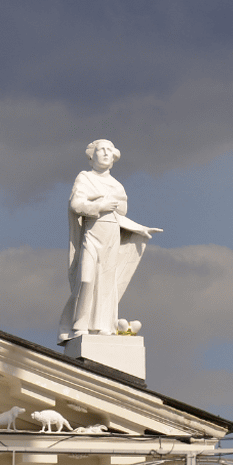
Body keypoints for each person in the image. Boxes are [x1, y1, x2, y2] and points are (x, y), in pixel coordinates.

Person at [59, 139, 161, 342]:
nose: (105, 153)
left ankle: (103, 326)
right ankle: (78, 324)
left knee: (106, 282)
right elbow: (76, 204)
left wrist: (139, 229)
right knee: (86, 279)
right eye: (101, 150)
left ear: (113, 157)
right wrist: (100, 205)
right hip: (92, 234)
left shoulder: (117, 186)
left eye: (109, 150)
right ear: (91, 156)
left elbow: (119, 215)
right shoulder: (85, 178)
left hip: (112, 235)